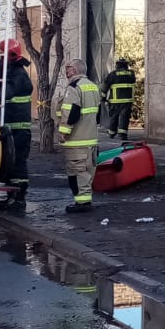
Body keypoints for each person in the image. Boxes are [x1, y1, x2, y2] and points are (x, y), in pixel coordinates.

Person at [57, 58, 102, 213]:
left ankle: (82, 204)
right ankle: (84, 201)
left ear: (75, 70)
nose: (66, 71)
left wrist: (63, 132)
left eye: (68, 68)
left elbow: (72, 112)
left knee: (77, 172)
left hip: (77, 140)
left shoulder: (74, 87)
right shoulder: (93, 86)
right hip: (91, 139)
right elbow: (98, 114)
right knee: (88, 171)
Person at [2, 42, 34, 210]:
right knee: (10, 163)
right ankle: (12, 197)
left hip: (18, 130)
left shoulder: (18, 75)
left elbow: (5, 93)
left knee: (18, 163)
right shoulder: (14, 72)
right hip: (12, 129)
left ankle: (19, 198)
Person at [100, 57, 138, 141]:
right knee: (125, 117)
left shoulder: (113, 74)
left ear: (117, 65)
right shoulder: (131, 74)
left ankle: (112, 133)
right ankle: (123, 134)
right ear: (126, 65)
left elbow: (105, 87)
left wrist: (103, 97)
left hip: (115, 101)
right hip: (128, 100)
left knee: (114, 116)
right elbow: (133, 81)